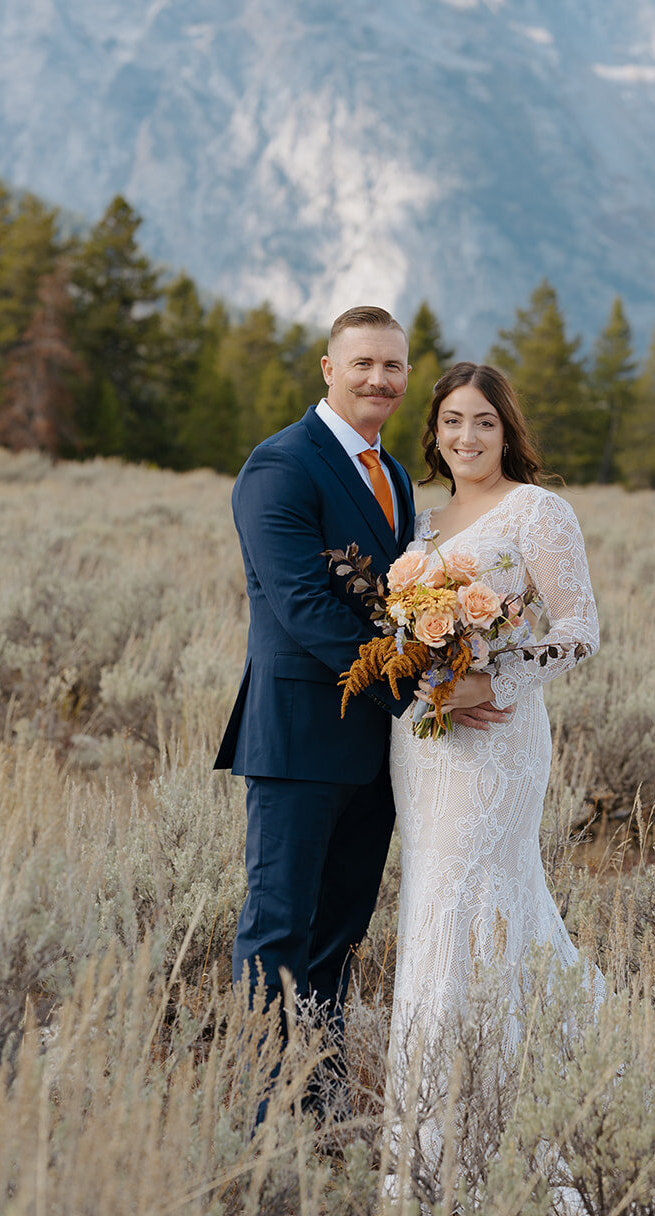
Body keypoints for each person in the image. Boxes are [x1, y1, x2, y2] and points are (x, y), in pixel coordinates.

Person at [214, 305, 477, 1100]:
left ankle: (318, 1100)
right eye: (362, 363)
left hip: (377, 747)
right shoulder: (280, 466)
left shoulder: (392, 473)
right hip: (298, 739)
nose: (379, 380)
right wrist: (425, 686)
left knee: (339, 934)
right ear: (328, 369)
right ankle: (261, 1115)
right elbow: (304, 608)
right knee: (278, 929)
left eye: (392, 367)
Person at [387, 360, 601, 1110]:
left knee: (474, 895)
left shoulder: (536, 511)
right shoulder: (416, 519)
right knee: (431, 895)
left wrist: (493, 680)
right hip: (421, 744)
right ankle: (429, 1121)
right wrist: (419, 673)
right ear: (434, 432)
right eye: (452, 421)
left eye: (484, 420)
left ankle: (499, 1107)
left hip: (497, 735)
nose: (467, 435)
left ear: (506, 429)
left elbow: (579, 630)